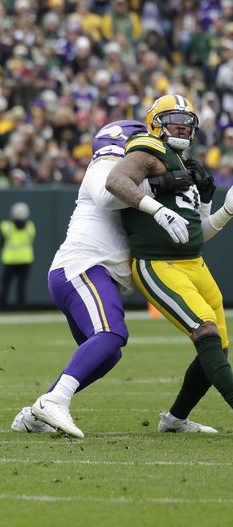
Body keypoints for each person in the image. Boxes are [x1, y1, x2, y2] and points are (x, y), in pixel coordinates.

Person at [11, 120, 154, 438]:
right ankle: (54, 402)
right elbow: (108, 196)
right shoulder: (105, 165)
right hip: (83, 267)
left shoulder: (128, 173)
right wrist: (155, 192)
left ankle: (39, 410)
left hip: (85, 270)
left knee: (108, 353)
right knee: (111, 333)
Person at [105, 94, 233, 435]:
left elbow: (194, 234)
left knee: (218, 346)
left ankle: (174, 420)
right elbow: (116, 182)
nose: (183, 126)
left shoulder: (186, 165)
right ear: (155, 122)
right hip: (159, 263)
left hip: (194, 263)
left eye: (188, 121)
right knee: (204, 330)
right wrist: (155, 207)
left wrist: (225, 211)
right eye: (174, 119)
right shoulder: (148, 147)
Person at [0, 202, 36, 311]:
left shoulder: (6, 226)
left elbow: (1, 243)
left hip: (10, 260)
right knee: (21, 285)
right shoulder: (30, 226)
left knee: (5, 284)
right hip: (26, 259)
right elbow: (31, 239)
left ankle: (0, 306)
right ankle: (21, 306)